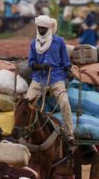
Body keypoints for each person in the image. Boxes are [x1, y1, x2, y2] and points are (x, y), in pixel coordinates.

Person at [25, 15, 74, 144]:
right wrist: (41, 66)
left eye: (44, 29)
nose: (41, 31)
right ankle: (25, 131)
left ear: (49, 28)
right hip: (38, 78)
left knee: (64, 102)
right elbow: (31, 63)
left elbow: (66, 61)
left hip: (56, 78)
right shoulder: (33, 43)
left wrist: (68, 71)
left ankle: (69, 133)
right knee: (27, 102)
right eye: (39, 28)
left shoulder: (59, 41)